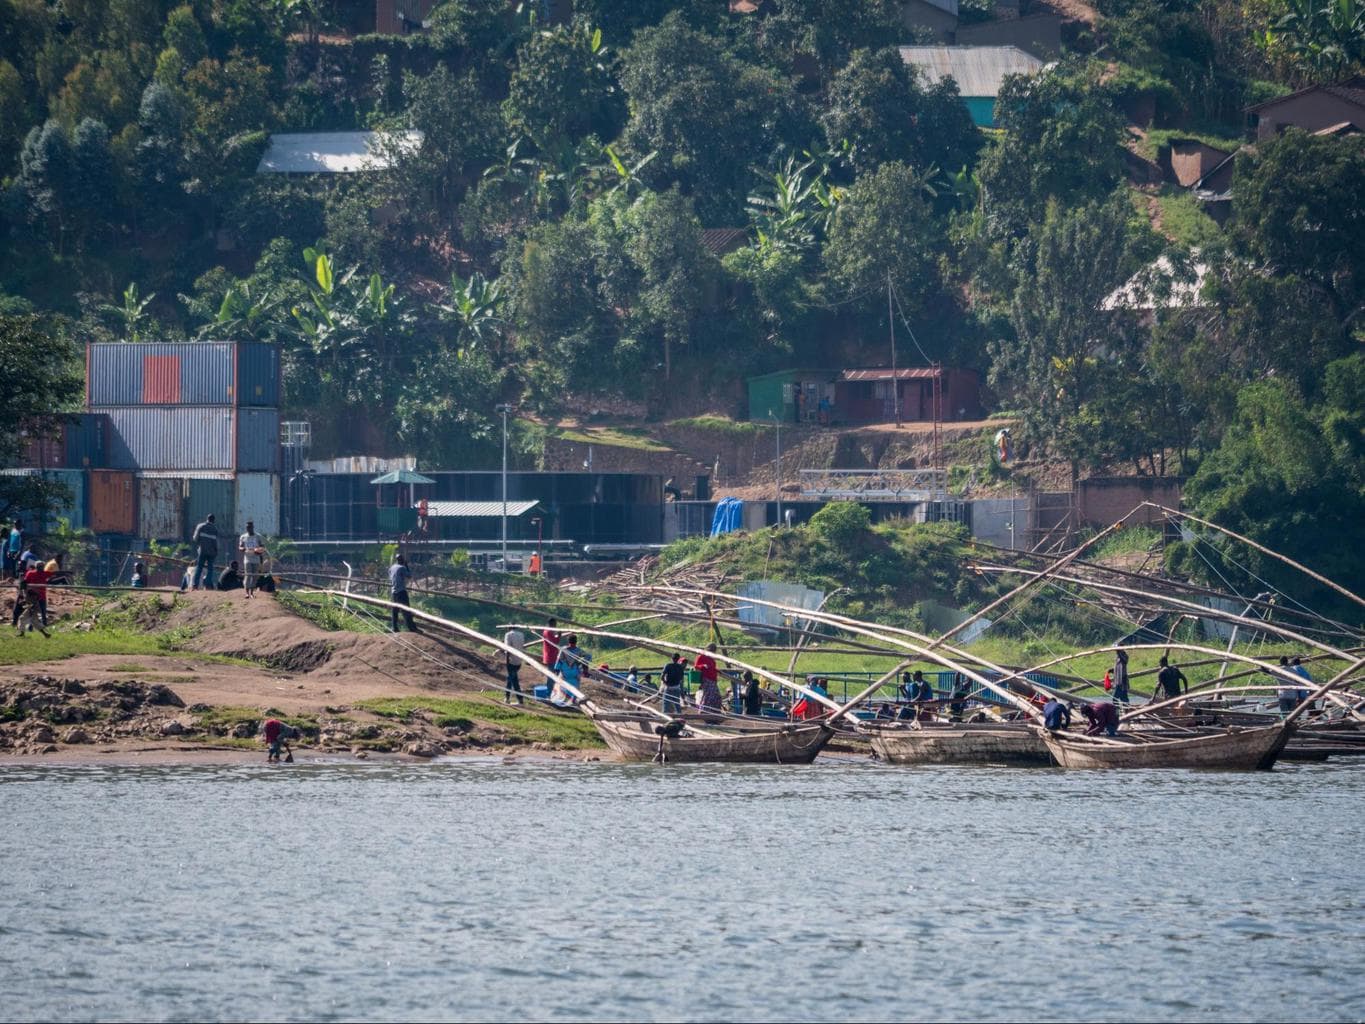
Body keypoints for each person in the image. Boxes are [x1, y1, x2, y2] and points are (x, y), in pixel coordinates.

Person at [552, 633, 589, 705]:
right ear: (576, 641)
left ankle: (563, 702)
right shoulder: (579, 651)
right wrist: (580, 663)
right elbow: (588, 656)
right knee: (575, 689)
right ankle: (573, 702)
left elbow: (559, 661)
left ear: (568, 641)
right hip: (575, 674)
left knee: (564, 688)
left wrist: (556, 671)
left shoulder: (563, 650)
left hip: (565, 673)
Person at [388, 553, 418, 632]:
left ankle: (394, 628)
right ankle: (412, 628)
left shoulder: (392, 567)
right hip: (401, 591)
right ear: (402, 560)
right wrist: (406, 566)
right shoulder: (402, 568)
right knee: (406, 610)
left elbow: (390, 576)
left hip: (394, 592)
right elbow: (409, 576)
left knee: (395, 611)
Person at [191, 513, 219, 590]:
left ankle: (195, 585)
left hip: (202, 550)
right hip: (211, 552)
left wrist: (201, 543)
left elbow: (195, 538)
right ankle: (207, 586)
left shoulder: (200, 526)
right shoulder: (215, 529)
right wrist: (216, 551)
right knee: (210, 569)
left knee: (199, 567)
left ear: (207, 518)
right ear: (213, 520)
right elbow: (215, 542)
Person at [238, 521, 264, 599]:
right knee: (248, 575)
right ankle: (246, 593)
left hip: (256, 559)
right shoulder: (243, 537)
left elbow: (262, 547)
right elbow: (240, 547)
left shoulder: (258, 536)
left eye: (250, 527)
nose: (248, 529)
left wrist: (258, 550)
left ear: (253, 527)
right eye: (247, 527)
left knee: (255, 576)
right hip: (247, 559)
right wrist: (243, 549)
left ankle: (252, 592)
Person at [694, 643, 722, 714]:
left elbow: (712, 668)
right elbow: (696, 666)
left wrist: (717, 670)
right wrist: (703, 666)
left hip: (713, 679)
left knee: (717, 695)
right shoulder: (701, 656)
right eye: (711, 650)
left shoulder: (711, 659)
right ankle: (704, 711)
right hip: (706, 678)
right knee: (708, 695)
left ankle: (715, 711)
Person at [502, 625, 526, 705]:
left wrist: (507, 661)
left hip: (511, 661)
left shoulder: (508, 635)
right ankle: (510, 698)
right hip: (519, 661)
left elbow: (507, 649)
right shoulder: (521, 634)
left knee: (512, 680)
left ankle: (516, 698)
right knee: (512, 679)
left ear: (509, 628)